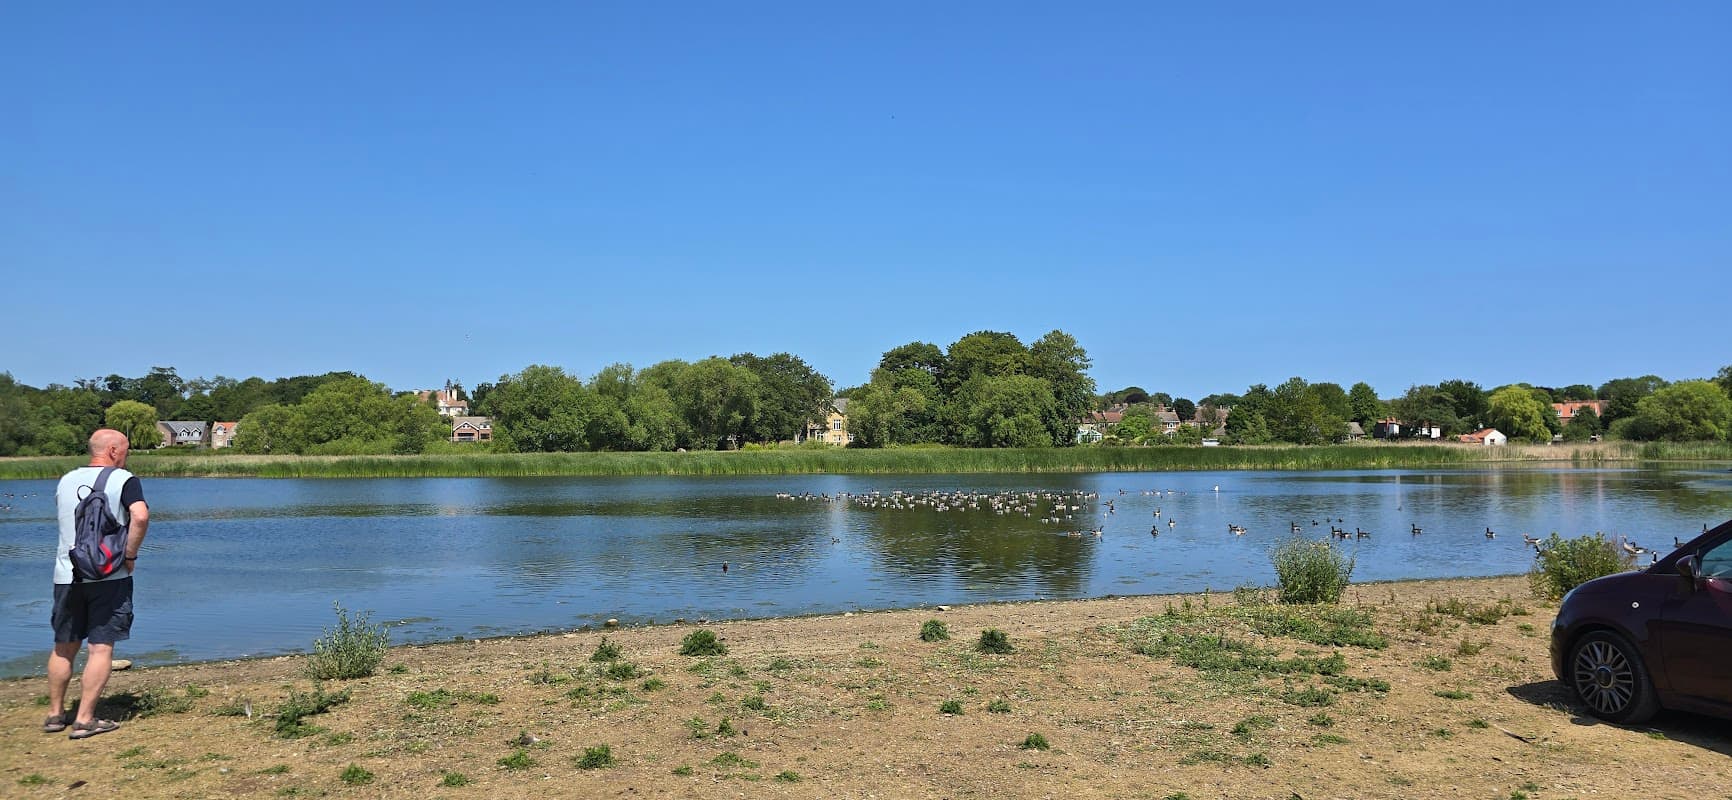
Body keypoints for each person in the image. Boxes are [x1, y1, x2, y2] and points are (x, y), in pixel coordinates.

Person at [45, 429, 149, 740]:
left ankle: (54, 714)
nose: (127, 455)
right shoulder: (123, 479)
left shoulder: (66, 480)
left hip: (67, 575)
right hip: (108, 577)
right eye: (126, 450)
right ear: (114, 450)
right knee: (101, 648)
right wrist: (129, 555)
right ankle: (85, 719)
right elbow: (140, 517)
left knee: (64, 646)